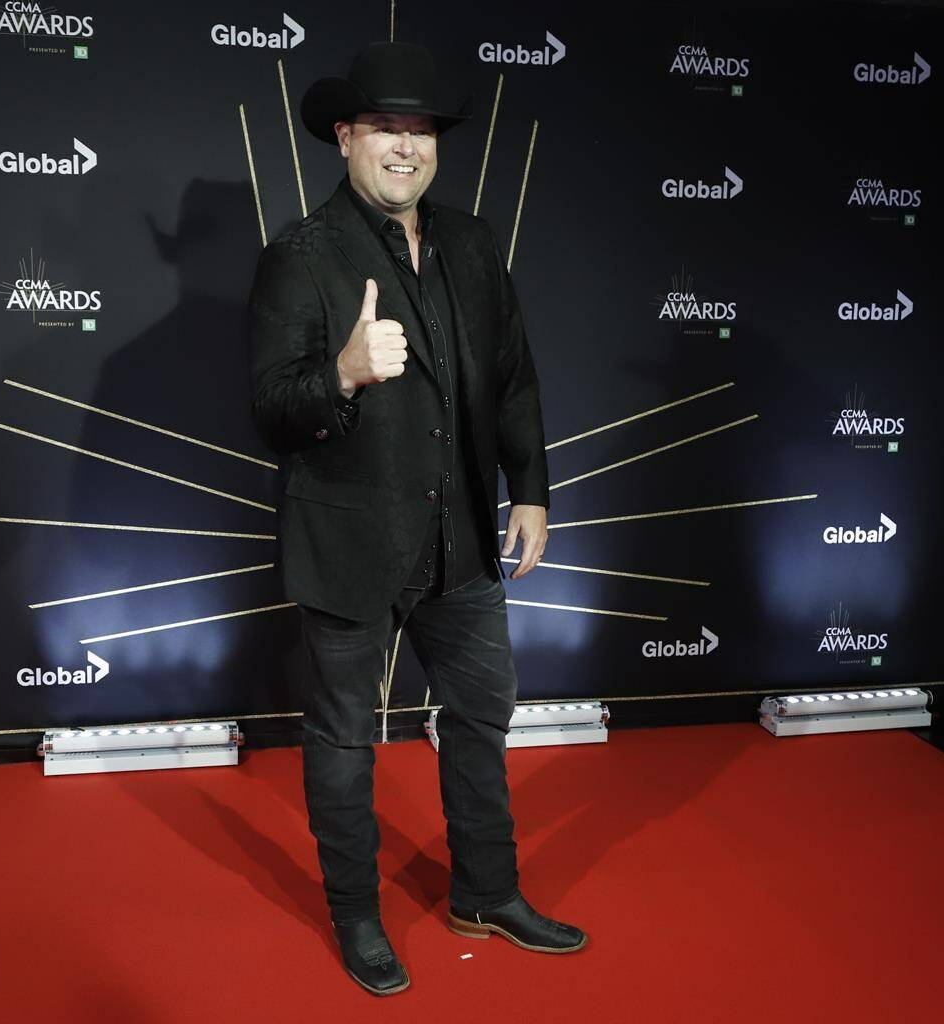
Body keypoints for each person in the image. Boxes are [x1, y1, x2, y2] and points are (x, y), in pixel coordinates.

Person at [245, 40, 587, 997]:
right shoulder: (299, 258)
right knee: (345, 739)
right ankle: (356, 915)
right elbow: (272, 408)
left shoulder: (473, 244)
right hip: (348, 543)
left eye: (421, 131)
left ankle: (488, 891)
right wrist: (343, 373)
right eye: (386, 129)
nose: (407, 147)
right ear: (345, 137)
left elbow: (513, 379)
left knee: (482, 714)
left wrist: (532, 488)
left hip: (465, 540)